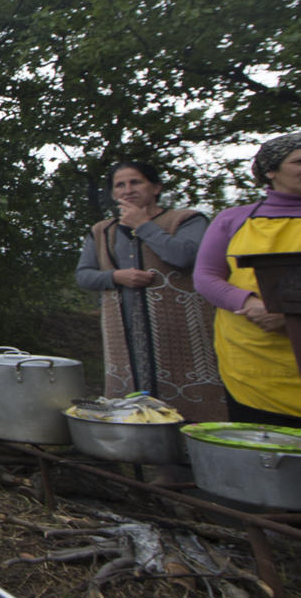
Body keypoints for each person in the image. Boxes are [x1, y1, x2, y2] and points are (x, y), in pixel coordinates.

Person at [74, 162, 222, 421]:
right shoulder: (101, 231)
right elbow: (84, 275)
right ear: (112, 193)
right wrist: (116, 276)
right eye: (120, 185)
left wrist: (143, 225)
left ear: (155, 187)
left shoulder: (186, 220)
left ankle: (195, 456)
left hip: (183, 332)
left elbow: (185, 256)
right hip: (123, 332)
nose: (128, 190)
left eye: (136, 182)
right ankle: (136, 457)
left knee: (192, 411)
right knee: (129, 412)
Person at [194, 133, 301, 427]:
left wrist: (290, 314)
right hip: (252, 362)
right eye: (298, 161)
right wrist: (249, 303)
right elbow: (205, 276)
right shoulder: (232, 219)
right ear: (271, 171)